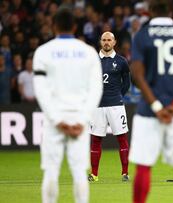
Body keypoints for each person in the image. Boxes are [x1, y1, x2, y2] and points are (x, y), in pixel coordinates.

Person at [128, 0, 173, 202]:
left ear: (150, 11)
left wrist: (157, 106)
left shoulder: (142, 35)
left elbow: (137, 74)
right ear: (171, 11)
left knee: (143, 165)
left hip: (148, 111)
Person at [33, 8, 103, 203]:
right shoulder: (88, 53)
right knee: (80, 172)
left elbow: (41, 91)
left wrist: (57, 120)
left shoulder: (43, 52)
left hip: (53, 120)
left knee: (51, 171)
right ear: (74, 26)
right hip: (79, 119)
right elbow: (96, 90)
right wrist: (82, 120)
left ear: (54, 26)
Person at [88, 31, 131, 182]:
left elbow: (126, 83)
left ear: (114, 42)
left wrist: (118, 96)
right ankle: (94, 174)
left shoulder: (121, 61)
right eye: (104, 40)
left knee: (122, 138)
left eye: (109, 40)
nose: (106, 42)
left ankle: (125, 173)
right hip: (97, 106)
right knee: (96, 140)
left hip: (116, 106)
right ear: (100, 42)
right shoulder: (92, 61)